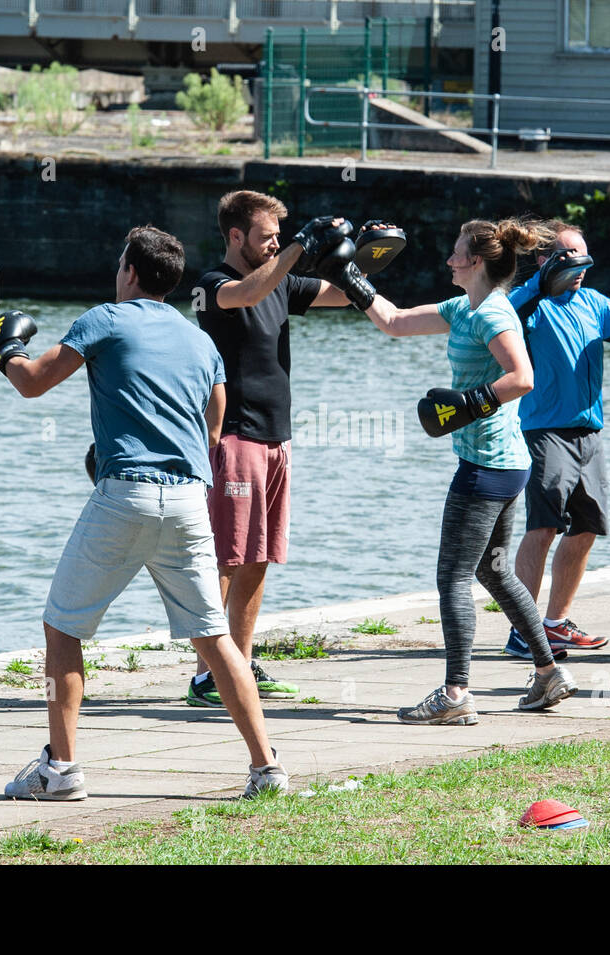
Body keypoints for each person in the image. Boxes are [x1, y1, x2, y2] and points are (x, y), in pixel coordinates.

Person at [0, 225, 287, 798]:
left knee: (62, 628)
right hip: (188, 500)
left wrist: (5, 347)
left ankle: (61, 770)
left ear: (129, 271)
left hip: (125, 494)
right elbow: (214, 428)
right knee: (215, 638)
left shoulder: (103, 317)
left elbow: (31, 384)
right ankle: (266, 767)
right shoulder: (203, 343)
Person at [338, 216, 577, 724]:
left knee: (452, 577)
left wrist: (471, 403)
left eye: (456, 252)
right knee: (493, 570)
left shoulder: (493, 314)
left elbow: (523, 377)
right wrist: (349, 276)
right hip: (505, 464)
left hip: (487, 466)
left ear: (476, 262)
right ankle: (548, 672)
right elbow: (396, 322)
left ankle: (456, 693)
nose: (448, 260)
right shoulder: (464, 308)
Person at [189, 191, 359, 708]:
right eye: (268, 237)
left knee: (259, 558)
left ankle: (237, 662)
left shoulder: (281, 281)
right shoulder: (212, 285)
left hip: (276, 440)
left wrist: (362, 254)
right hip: (233, 438)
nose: (277, 245)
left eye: (281, 237)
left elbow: (346, 296)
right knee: (224, 557)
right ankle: (205, 676)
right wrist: (301, 246)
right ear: (236, 237)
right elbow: (246, 294)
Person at [504, 221, 610, 659]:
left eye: (585, 255)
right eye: (569, 256)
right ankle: (521, 629)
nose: (580, 265)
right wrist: (538, 285)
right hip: (543, 430)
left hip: (592, 432)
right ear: (544, 259)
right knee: (543, 526)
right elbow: (505, 314)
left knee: (587, 528)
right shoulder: (528, 303)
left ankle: (555, 624)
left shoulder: (594, 302)